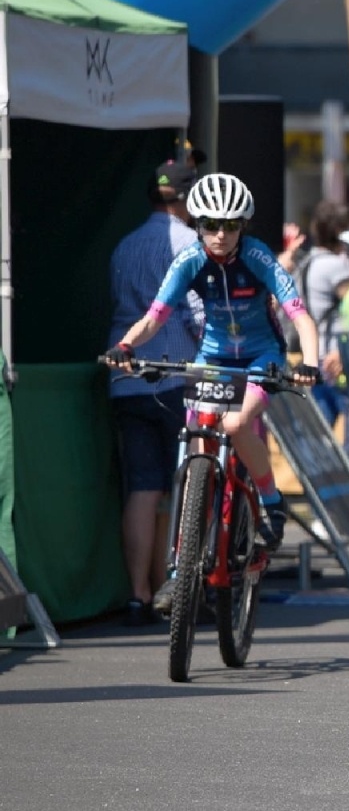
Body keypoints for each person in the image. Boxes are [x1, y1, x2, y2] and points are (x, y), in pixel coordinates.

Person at [105, 173, 322, 598]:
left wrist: (309, 363)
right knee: (197, 437)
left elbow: (300, 315)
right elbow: (156, 316)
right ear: (198, 224)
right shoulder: (189, 259)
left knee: (238, 425)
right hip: (213, 359)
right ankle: (183, 564)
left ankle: (270, 502)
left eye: (231, 226)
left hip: (262, 357)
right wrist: (126, 345)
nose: (220, 235)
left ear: (244, 227)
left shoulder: (258, 258)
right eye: (209, 225)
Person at [105, 161, 204, 625]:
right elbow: (196, 315)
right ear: (188, 200)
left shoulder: (124, 246)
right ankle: (179, 589)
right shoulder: (190, 244)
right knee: (188, 485)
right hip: (175, 376)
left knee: (144, 487)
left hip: (126, 380)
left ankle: (138, 594)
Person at [296, 201, 349, 426]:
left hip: (316, 355)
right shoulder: (335, 266)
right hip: (335, 357)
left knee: (322, 429)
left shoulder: (307, 261)